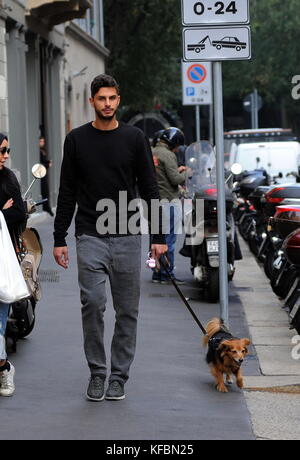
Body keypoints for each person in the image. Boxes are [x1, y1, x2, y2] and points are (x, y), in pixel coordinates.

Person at [53, 74, 167, 402]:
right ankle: (97, 372)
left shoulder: (134, 139)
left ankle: (118, 376)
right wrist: (59, 237)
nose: (107, 104)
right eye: (101, 98)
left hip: (129, 236)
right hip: (90, 234)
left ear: (119, 100)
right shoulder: (76, 140)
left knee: (127, 309)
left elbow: (150, 189)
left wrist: (157, 236)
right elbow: (67, 191)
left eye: (112, 99)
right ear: (92, 101)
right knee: (92, 303)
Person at [0, 133, 26, 397]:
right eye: (2, 151)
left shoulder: (8, 178)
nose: (6, 156)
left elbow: (18, 212)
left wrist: (4, 211)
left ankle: (4, 370)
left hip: (3, 257)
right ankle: (4, 367)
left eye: (8, 150)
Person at [151, 127, 189, 284]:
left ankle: (157, 273)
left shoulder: (152, 152)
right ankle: (167, 274)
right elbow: (175, 179)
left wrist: (177, 170)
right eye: (178, 145)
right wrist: (187, 172)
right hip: (169, 201)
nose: (178, 149)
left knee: (156, 239)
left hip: (154, 202)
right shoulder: (168, 154)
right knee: (169, 240)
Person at [39, 136, 54, 216]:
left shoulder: (42, 151)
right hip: (40, 174)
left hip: (43, 173)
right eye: (40, 141)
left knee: (46, 191)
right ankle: (46, 208)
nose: (42, 143)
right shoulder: (38, 151)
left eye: (43, 141)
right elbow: (40, 164)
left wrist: (47, 162)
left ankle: (47, 207)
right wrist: (48, 164)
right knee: (44, 190)